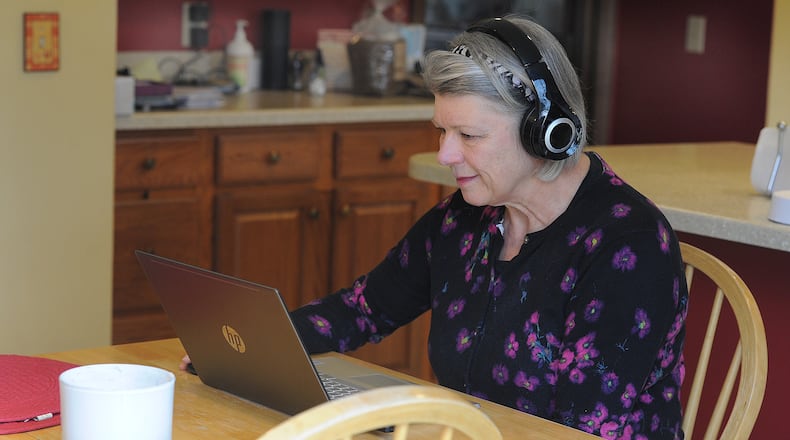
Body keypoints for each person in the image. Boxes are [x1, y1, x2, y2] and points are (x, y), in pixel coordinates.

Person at [183, 15, 688, 439]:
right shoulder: (467, 218)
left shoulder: (628, 246)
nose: (446, 154)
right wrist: (246, 346)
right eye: (442, 131)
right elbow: (365, 308)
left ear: (547, 133)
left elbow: (576, 431)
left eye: (468, 134)